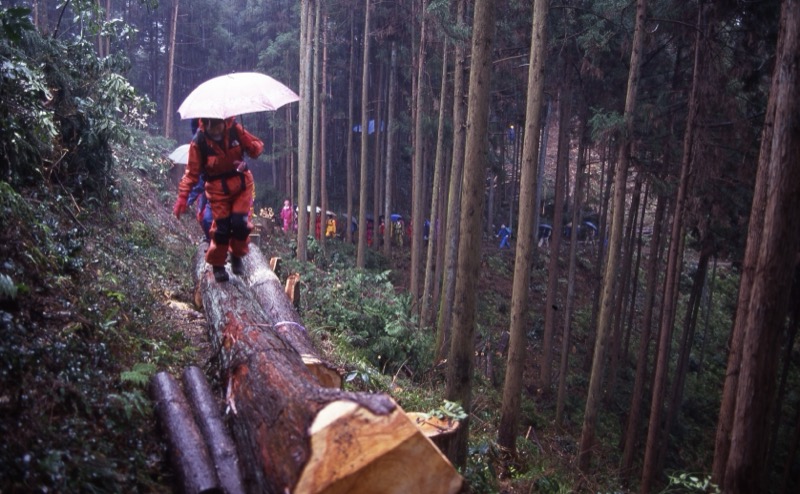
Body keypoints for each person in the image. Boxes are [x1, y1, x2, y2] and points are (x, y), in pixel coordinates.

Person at [173, 117, 264, 282]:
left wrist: (251, 148)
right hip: (217, 190)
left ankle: (237, 254)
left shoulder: (236, 130)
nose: (216, 130)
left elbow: (257, 148)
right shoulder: (199, 142)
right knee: (221, 229)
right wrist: (183, 196)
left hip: (241, 185)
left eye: (218, 126)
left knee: (240, 224)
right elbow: (191, 174)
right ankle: (217, 264)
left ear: (224, 122)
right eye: (212, 127)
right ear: (206, 124)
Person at [186, 176, 212, 242]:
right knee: (201, 216)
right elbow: (199, 185)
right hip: (207, 194)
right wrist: (188, 201)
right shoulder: (206, 170)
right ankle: (209, 238)